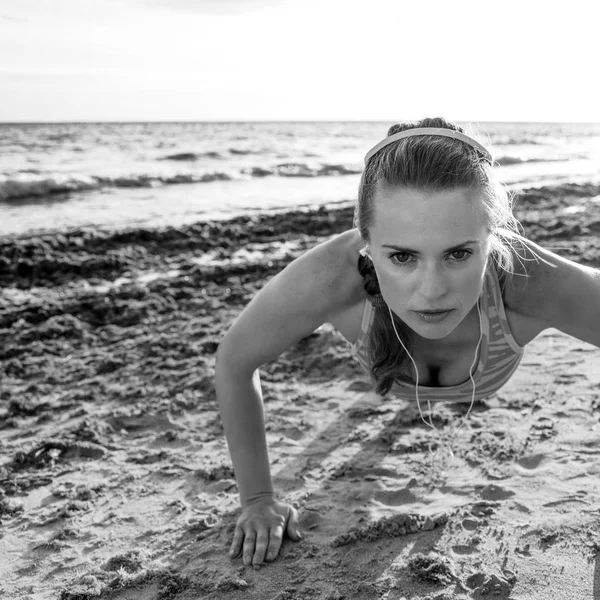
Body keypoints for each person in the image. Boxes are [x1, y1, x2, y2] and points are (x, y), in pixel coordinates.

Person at [214, 117, 600, 569]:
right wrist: (258, 498)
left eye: (459, 253)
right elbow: (234, 362)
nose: (432, 290)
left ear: (492, 238)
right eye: (402, 257)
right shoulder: (331, 278)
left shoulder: (529, 281)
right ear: (367, 243)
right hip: (386, 366)